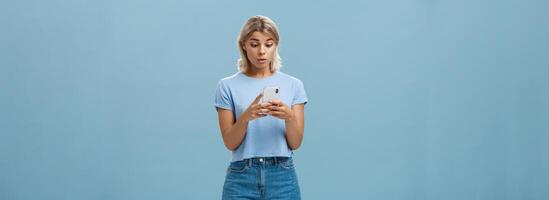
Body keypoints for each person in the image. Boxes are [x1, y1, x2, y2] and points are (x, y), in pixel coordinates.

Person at [213, 15, 308, 200]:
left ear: (276, 45)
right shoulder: (227, 86)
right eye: (254, 44)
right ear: (243, 45)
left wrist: (289, 117)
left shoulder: (294, 85)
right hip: (241, 176)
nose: (262, 51)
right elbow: (230, 143)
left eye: (269, 44)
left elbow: (295, 143)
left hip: (282, 175)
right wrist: (246, 117)